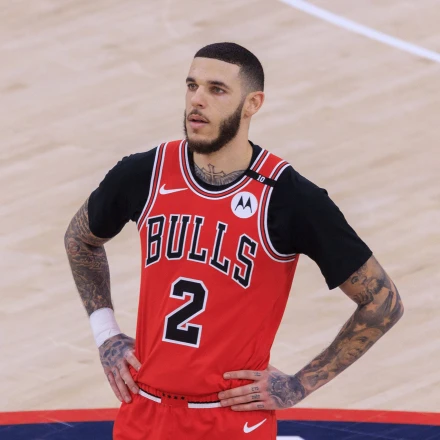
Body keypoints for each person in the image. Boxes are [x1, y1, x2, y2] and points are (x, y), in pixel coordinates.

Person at [64, 42, 404, 440]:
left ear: (252, 104)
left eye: (217, 89)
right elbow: (80, 239)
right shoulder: (145, 173)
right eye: (192, 86)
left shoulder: (289, 198)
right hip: (144, 411)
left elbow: (383, 303)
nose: (197, 100)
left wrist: (299, 385)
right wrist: (106, 334)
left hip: (231, 420)